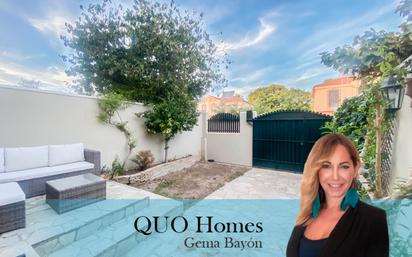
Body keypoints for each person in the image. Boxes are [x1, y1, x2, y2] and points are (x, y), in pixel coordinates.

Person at [286, 133, 389, 257]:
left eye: (344, 167)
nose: (335, 177)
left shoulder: (373, 219)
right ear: (316, 170)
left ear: (355, 169)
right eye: (326, 166)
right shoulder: (307, 214)